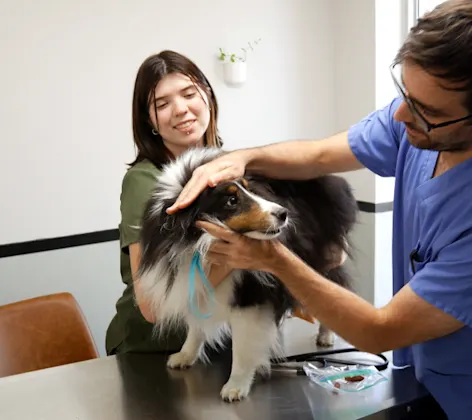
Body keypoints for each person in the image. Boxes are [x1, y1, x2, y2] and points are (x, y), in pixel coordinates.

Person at [166, 1, 472, 418]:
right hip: (416, 380)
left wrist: (275, 260)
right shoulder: (414, 121)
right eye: (404, 93)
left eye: (426, 111)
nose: (401, 115)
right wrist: (247, 158)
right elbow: (318, 155)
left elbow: (378, 330)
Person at [105, 50, 230, 355]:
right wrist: (248, 255)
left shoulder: (228, 166)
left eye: (189, 93)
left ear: (208, 96)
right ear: (149, 120)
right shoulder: (144, 181)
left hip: (220, 342)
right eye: (162, 104)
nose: (181, 109)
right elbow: (153, 307)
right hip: (155, 350)